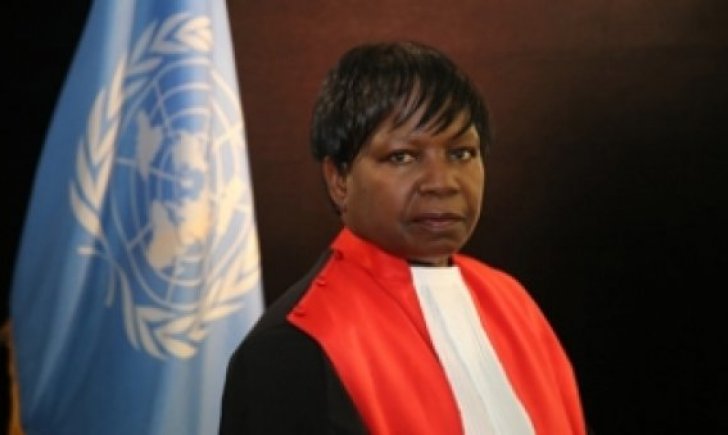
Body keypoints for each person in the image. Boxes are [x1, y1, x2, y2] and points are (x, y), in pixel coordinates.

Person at [220, 41, 588, 434]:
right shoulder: (294, 347)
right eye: (402, 157)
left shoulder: (512, 302)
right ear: (339, 179)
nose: (442, 183)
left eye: (461, 153)